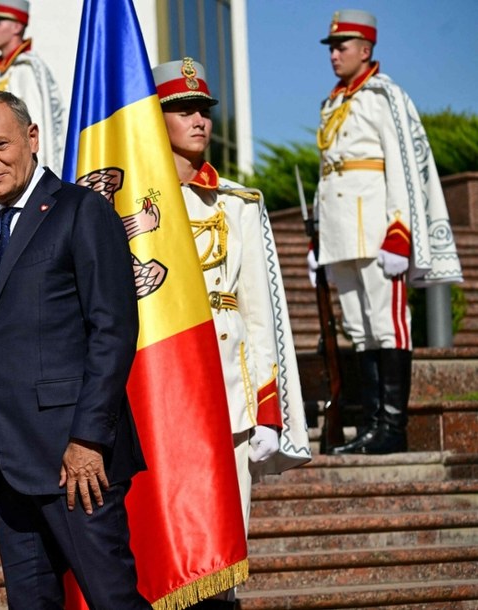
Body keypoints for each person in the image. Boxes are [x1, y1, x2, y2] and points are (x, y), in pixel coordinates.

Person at [0, 89, 152, 610]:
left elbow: (112, 329)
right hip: (10, 466)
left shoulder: (82, 210)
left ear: (32, 138)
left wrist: (88, 439)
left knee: (113, 601)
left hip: (75, 461)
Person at [153, 58, 310, 608]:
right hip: (158, 393)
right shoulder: (131, 202)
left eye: (204, 110)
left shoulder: (239, 203)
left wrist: (270, 408)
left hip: (228, 393)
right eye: (183, 109)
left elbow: (262, 315)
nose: (199, 120)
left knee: (222, 552)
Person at [310, 10, 463, 455]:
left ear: (366, 49)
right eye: (332, 47)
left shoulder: (384, 95)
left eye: (343, 45)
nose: (335, 53)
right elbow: (329, 174)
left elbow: (403, 168)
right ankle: (370, 428)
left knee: (388, 327)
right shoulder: (333, 102)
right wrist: (318, 240)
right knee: (360, 331)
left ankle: (391, 427)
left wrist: (399, 232)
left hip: (376, 231)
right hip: (341, 235)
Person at [0, 0, 65, 214]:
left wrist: (46, 187)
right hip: (5, 182)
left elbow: (37, 128)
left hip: (28, 187)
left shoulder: (26, 69)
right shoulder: (1, 72)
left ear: (17, 26)